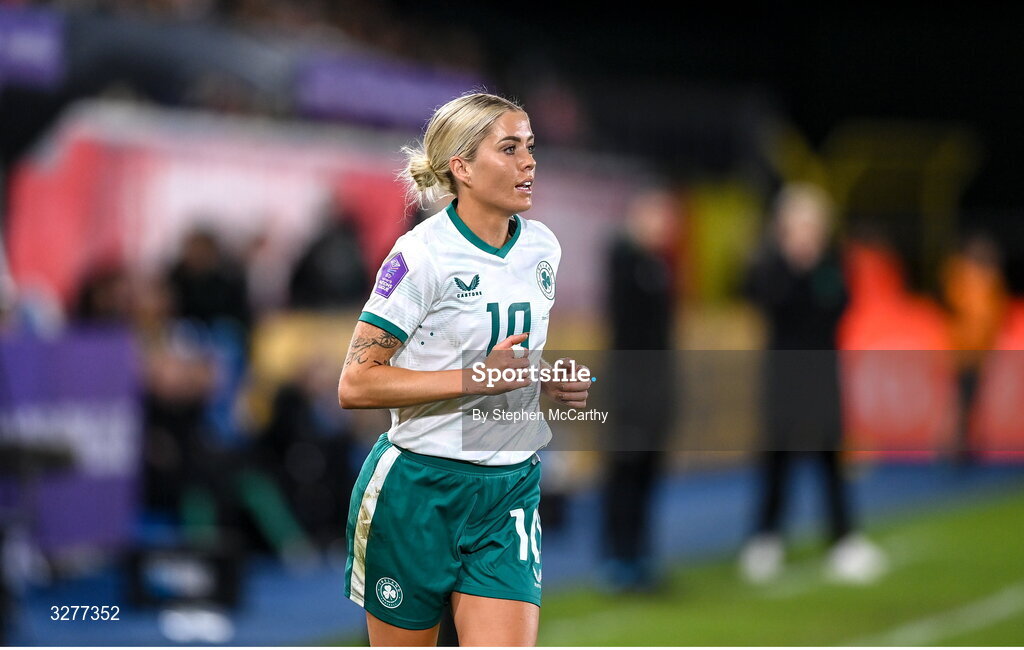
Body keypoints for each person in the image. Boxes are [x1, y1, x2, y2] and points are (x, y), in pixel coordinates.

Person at [337, 92, 590, 646]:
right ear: (463, 167)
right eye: (509, 148)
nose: (529, 161)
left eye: (530, 146)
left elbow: (513, 362)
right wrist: (478, 377)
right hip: (419, 490)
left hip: (509, 490)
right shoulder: (421, 256)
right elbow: (356, 382)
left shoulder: (542, 248)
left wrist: (549, 381)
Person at [740, 183, 886, 584]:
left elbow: (839, 306)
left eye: (812, 223)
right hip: (783, 375)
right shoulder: (771, 264)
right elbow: (763, 300)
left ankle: (843, 540)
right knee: (777, 458)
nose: (806, 231)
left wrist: (812, 270)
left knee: (830, 457)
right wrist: (793, 267)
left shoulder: (832, 263)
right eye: (798, 223)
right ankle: (765, 539)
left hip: (822, 374)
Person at [601, 188, 678, 592]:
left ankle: (642, 554)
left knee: (649, 473)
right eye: (656, 216)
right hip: (629, 389)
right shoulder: (625, 259)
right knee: (624, 472)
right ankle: (618, 557)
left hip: (657, 387)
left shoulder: (660, 265)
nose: (664, 225)